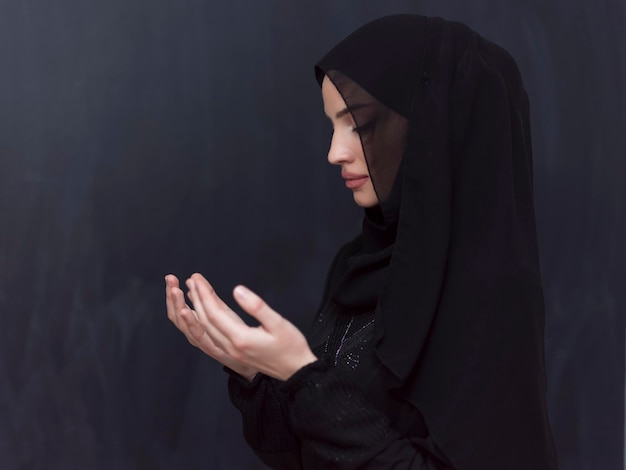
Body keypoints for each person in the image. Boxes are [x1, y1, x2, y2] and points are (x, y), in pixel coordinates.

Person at [165, 14, 558, 469]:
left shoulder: (490, 296)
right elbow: (304, 454)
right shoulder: (359, 268)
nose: (335, 152)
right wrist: (256, 371)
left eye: (360, 125)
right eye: (333, 125)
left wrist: (302, 375)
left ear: (430, 130)